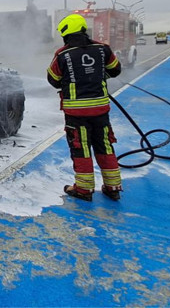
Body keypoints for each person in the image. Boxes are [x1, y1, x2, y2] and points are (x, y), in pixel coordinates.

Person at [46, 14, 123, 202]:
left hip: (76, 113)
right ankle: (113, 187)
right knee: (104, 145)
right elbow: (116, 70)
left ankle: (84, 190)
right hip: (101, 110)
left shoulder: (62, 55)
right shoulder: (103, 49)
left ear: (66, 35)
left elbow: (53, 80)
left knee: (81, 149)